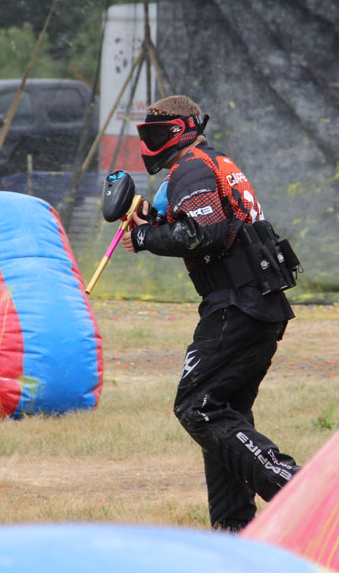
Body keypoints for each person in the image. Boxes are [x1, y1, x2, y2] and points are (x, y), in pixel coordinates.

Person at [119, 94, 301, 532]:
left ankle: (297, 490)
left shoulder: (192, 167)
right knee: (223, 413)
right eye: (146, 135)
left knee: (196, 407)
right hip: (255, 301)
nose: (148, 144)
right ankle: (233, 529)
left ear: (181, 131)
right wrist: (152, 224)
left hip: (237, 304)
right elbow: (207, 226)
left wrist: (144, 238)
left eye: (156, 134)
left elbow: (204, 232)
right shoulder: (211, 162)